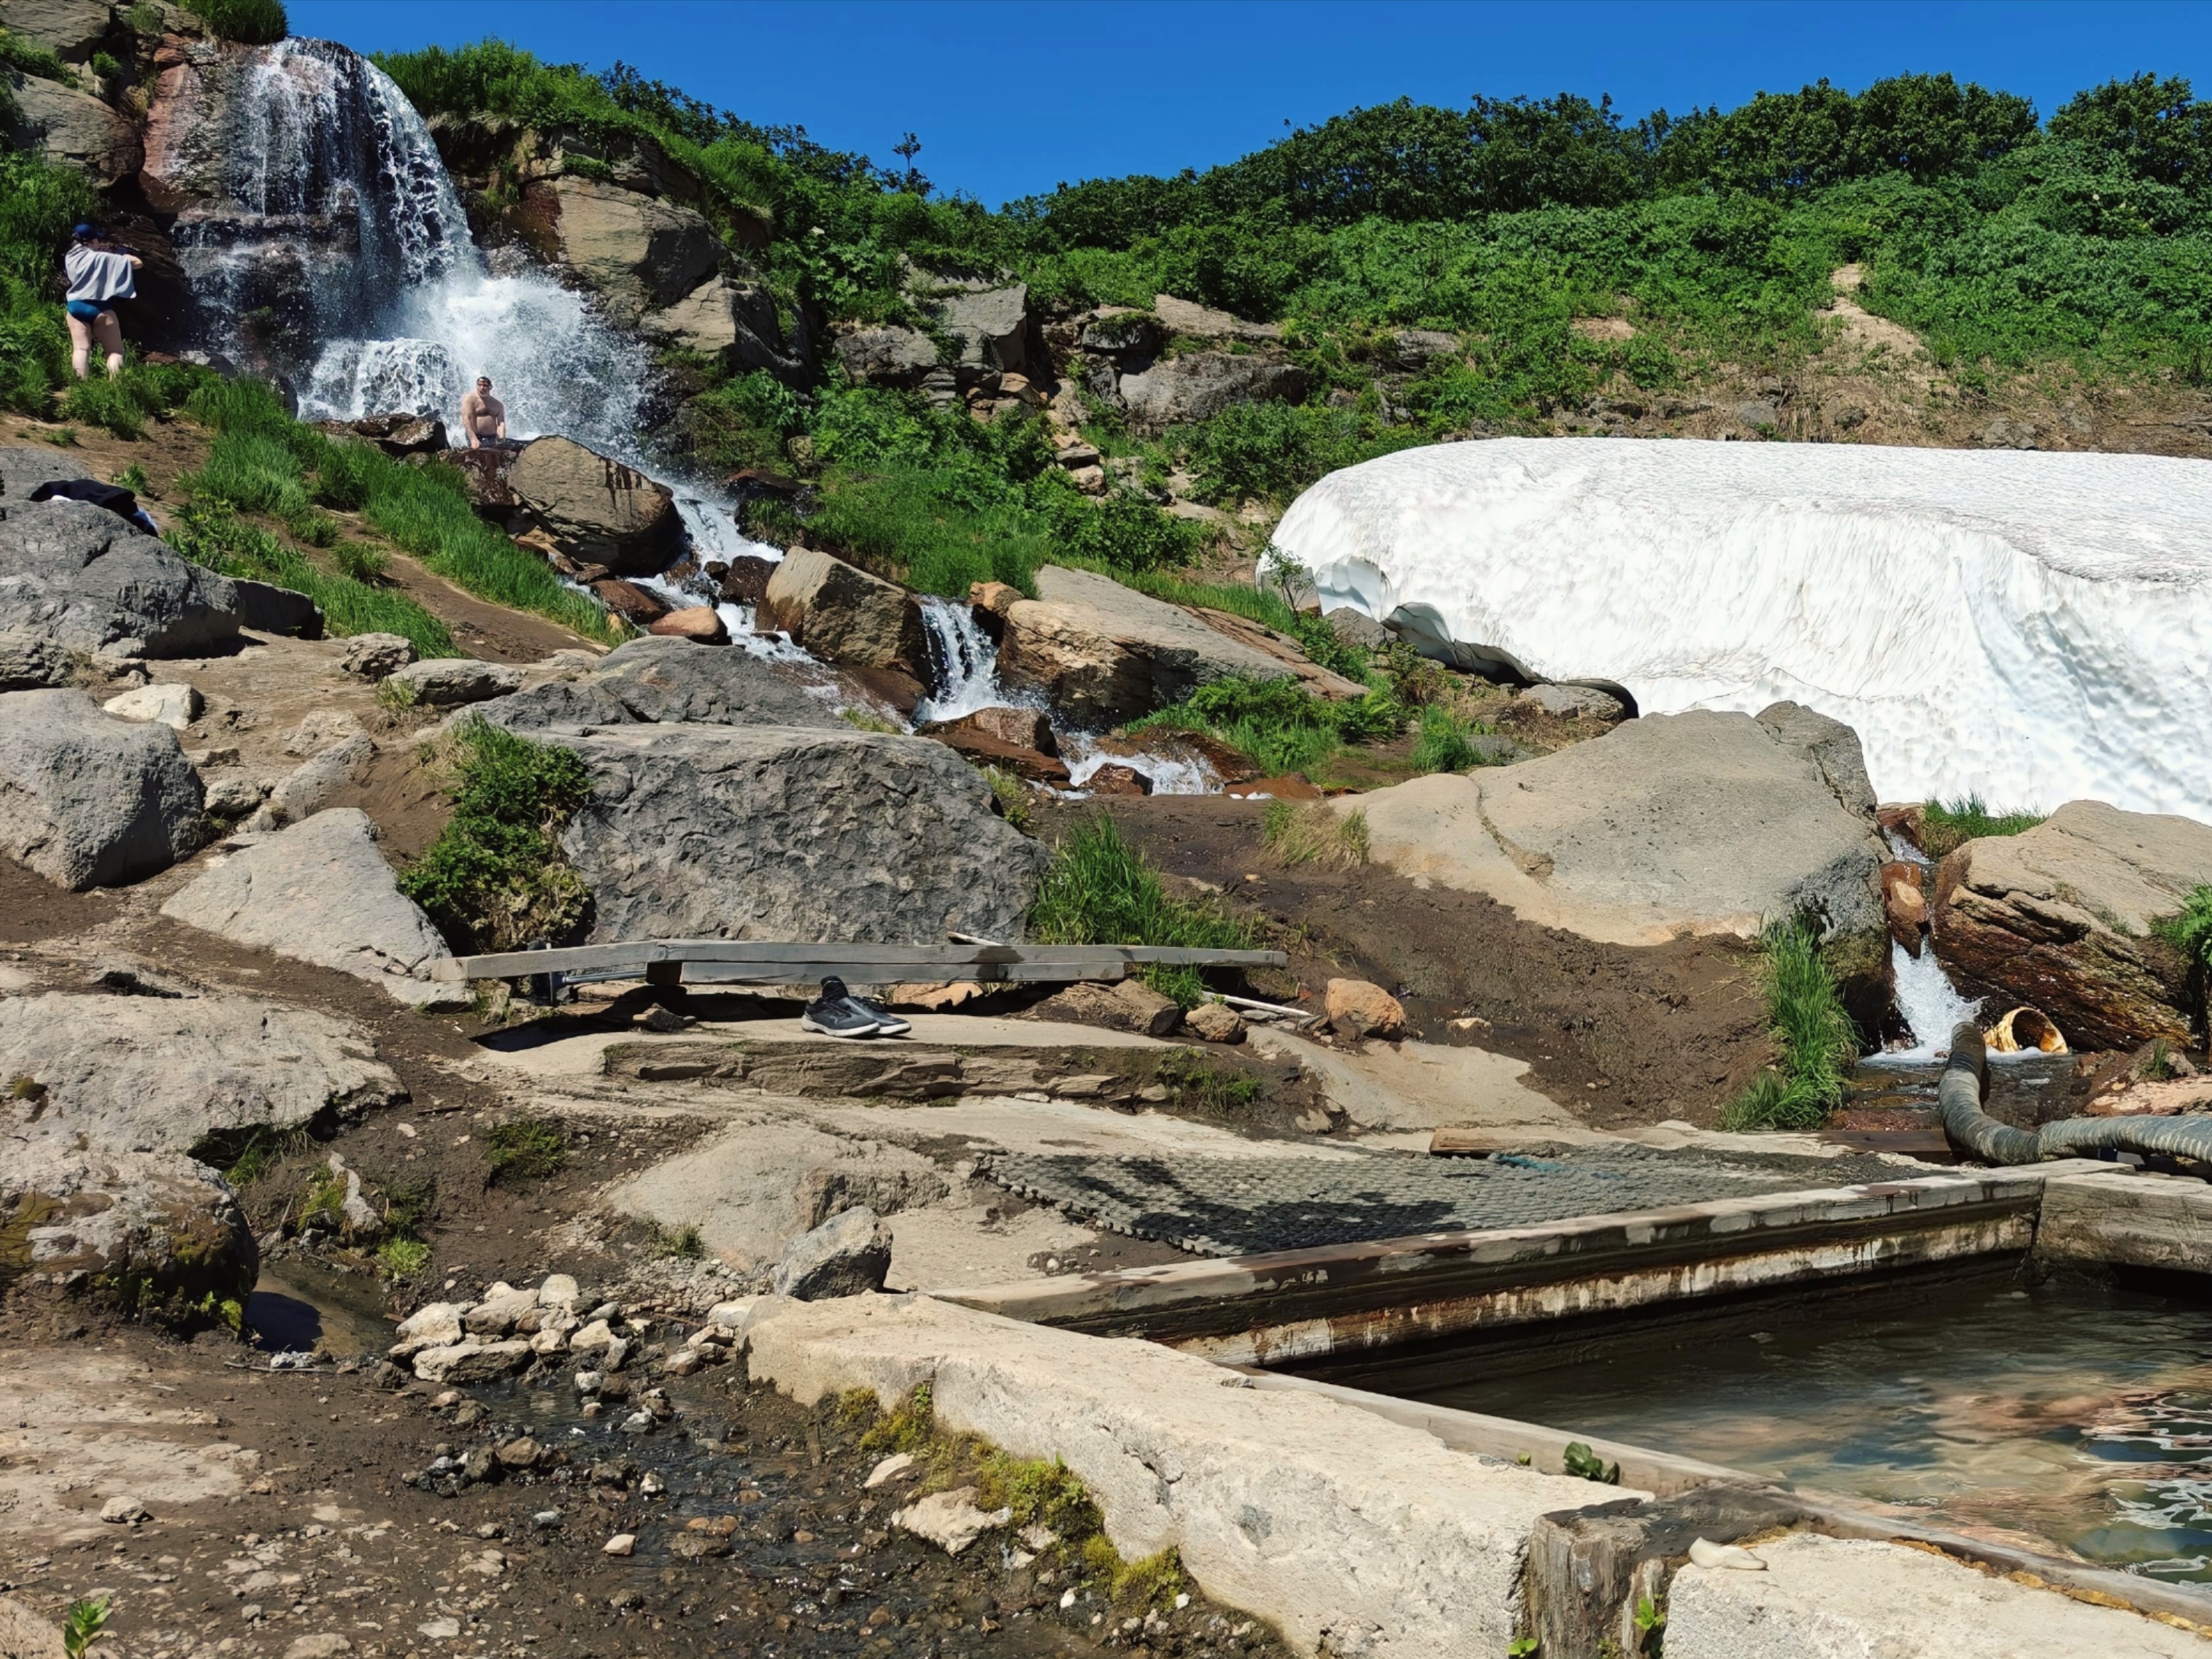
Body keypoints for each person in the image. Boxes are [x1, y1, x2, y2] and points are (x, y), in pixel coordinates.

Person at [62, 224, 140, 381]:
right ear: (91, 241)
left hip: (75, 307)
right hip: (101, 308)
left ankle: (80, 386)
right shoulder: (104, 258)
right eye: (97, 239)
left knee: (81, 349)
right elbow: (138, 263)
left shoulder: (70, 258)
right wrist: (118, 256)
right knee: (115, 352)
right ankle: (114, 387)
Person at [460, 376, 508, 449]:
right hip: (476, 436)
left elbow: (501, 423)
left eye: (485, 386)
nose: (481, 388)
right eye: (479, 385)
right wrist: (473, 438)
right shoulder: (470, 400)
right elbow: (466, 419)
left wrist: (501, 438)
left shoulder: (498, 404)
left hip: (492, 437)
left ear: (490, 387)